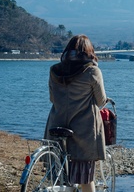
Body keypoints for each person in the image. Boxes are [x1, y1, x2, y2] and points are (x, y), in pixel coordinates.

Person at [44, 34, 108, 192]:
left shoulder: (54, 70)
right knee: (86, 178)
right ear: (89, 52)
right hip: (84, 131)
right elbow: (101, 101)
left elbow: (53, 98)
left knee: (59, 173)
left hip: (56, 124)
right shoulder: (92, 71)